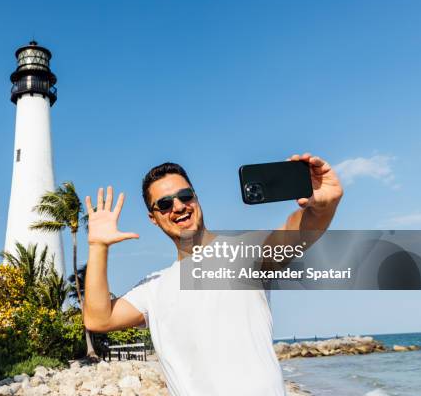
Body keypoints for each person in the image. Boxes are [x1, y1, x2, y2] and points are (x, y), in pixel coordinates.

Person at [83, 153, 343, 395]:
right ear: (153, 217)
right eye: (164, 203)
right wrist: (98, 246)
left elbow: (297, 231)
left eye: (185, 196)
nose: (178, 206)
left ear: (196, 198)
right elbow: (98, 319)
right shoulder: (153, 288)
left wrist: (323, 206)